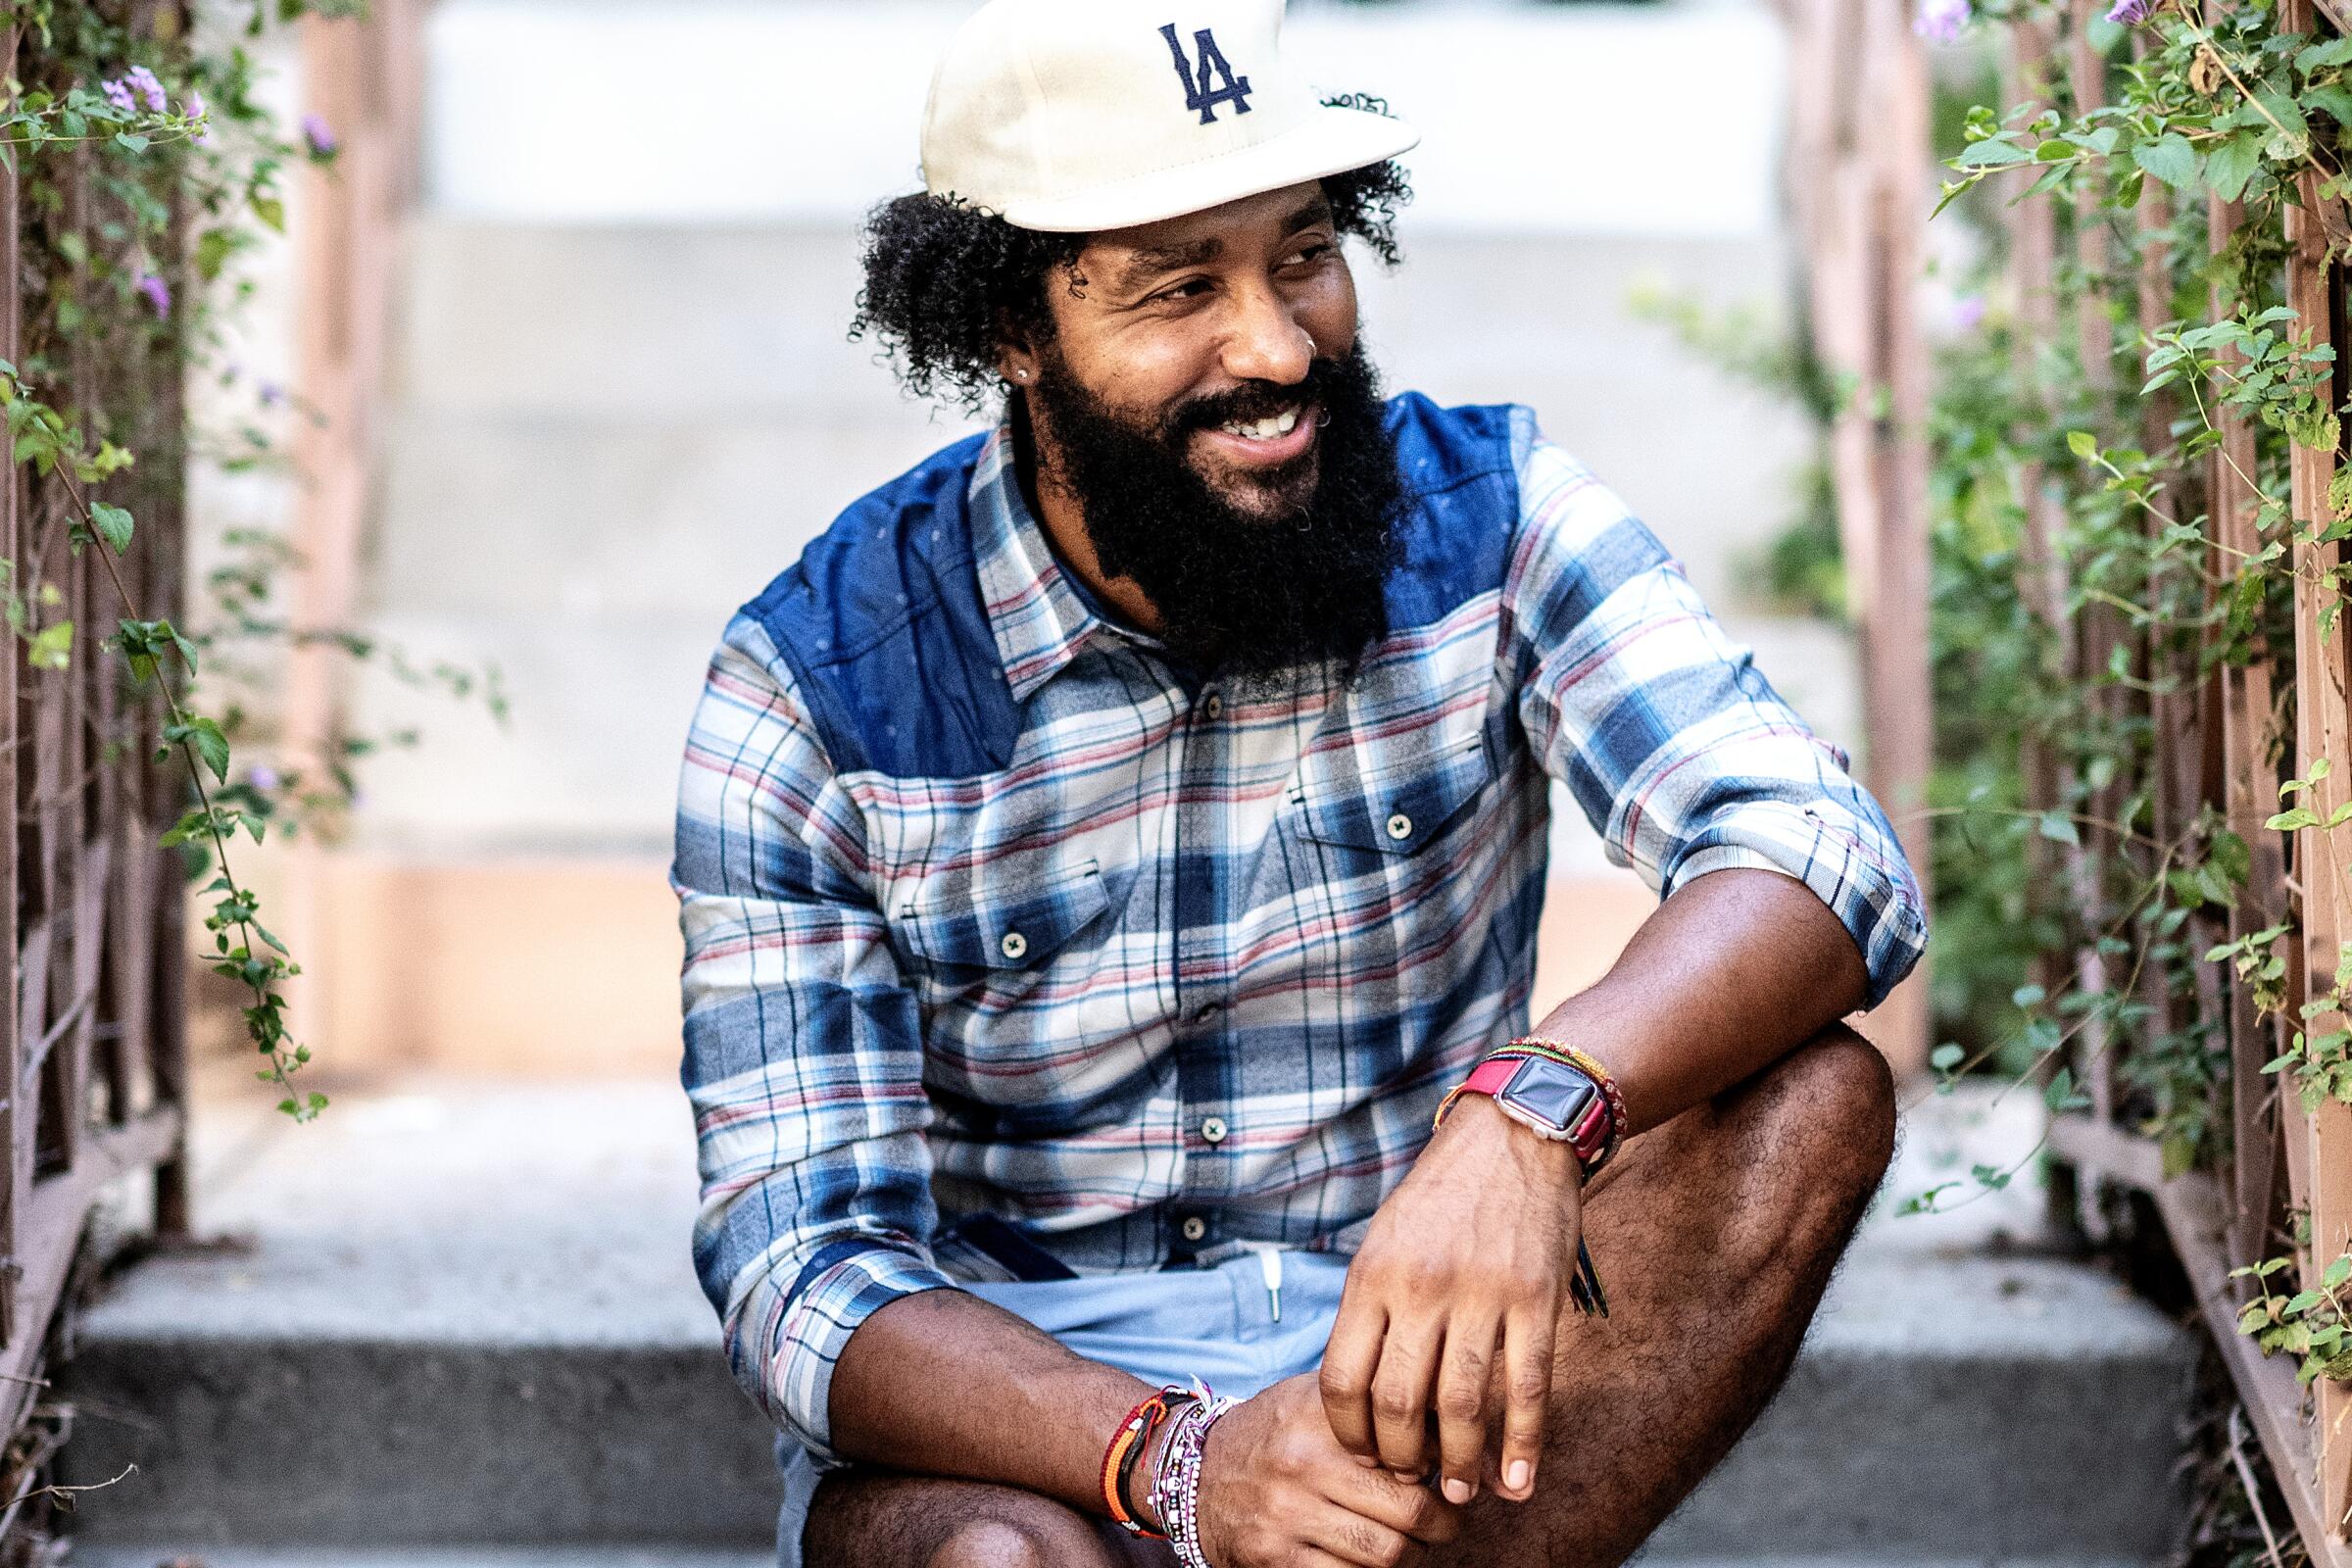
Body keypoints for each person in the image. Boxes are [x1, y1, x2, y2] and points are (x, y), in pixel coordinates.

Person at [671, 2, 1927, 1564]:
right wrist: (1179, 1462)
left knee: (1810, 1103)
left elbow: (1818, 850)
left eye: (1305, 252)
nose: (1274, 348)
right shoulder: (818, 685)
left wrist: (1534, 1112)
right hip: (1042, 1416)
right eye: (1177, 287)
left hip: (1427, 1355)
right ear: (1009, 325)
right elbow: (807, 1274)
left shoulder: (1495, 516)